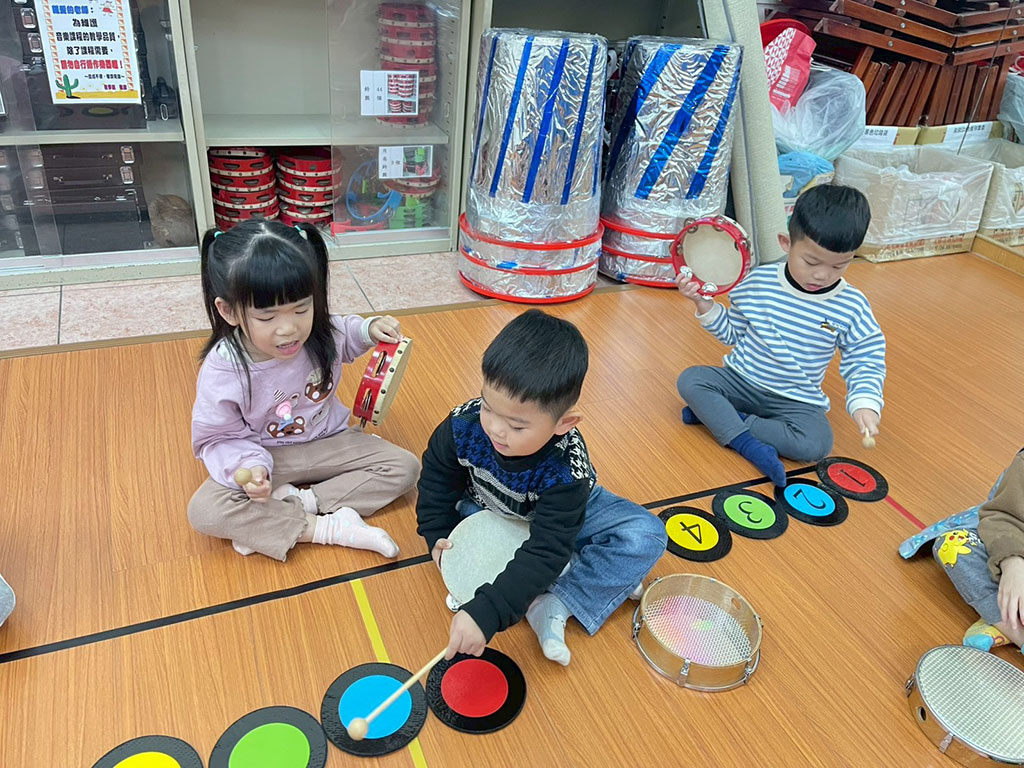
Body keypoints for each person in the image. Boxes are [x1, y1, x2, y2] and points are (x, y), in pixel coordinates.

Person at [416, 309, 667, 666]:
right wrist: (437, 534)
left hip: (561, 514)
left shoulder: (567, 471)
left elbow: (548, 546)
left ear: (564, 423)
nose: (495, 429)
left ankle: (558, 599)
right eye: (488, 407)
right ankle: (569, 569)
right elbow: (437, 479)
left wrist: (489, 612)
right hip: (489, 505)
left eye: (517, 426)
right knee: (466, 521)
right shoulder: (464, 424)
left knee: (646, 535)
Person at [188, 219, 420, 561]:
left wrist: (371, 329)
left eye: (301, 309)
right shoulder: (224, 370)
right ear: (229, 311)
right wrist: (251, 467)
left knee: (405, 467)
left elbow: (348, 331)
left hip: (330, 442)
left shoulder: (320, 333)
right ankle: (327, 528)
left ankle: (295, 505)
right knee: (205, 510)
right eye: (267, 317)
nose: (289, 329)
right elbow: (218, 437)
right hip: (267, 456)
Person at [676, 184, 885, 486]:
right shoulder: (757, 282)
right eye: (811, 262)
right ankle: (746, 443)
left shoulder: (852, 305)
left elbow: (865, 356)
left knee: (816, 444)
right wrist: (703, 304)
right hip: (741, 381)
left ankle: (723, 419)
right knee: (691, 379)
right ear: (786, 243)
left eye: (839, 265)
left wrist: (865, 400)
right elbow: (733, 333)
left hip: (796, 399)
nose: (822, 275)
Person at [930, 450, 1024, 652]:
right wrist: (1013, 564)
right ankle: (1014, 631)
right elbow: (1001, 517)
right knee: (952, 546)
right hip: (1012, 553)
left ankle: (999, 622)